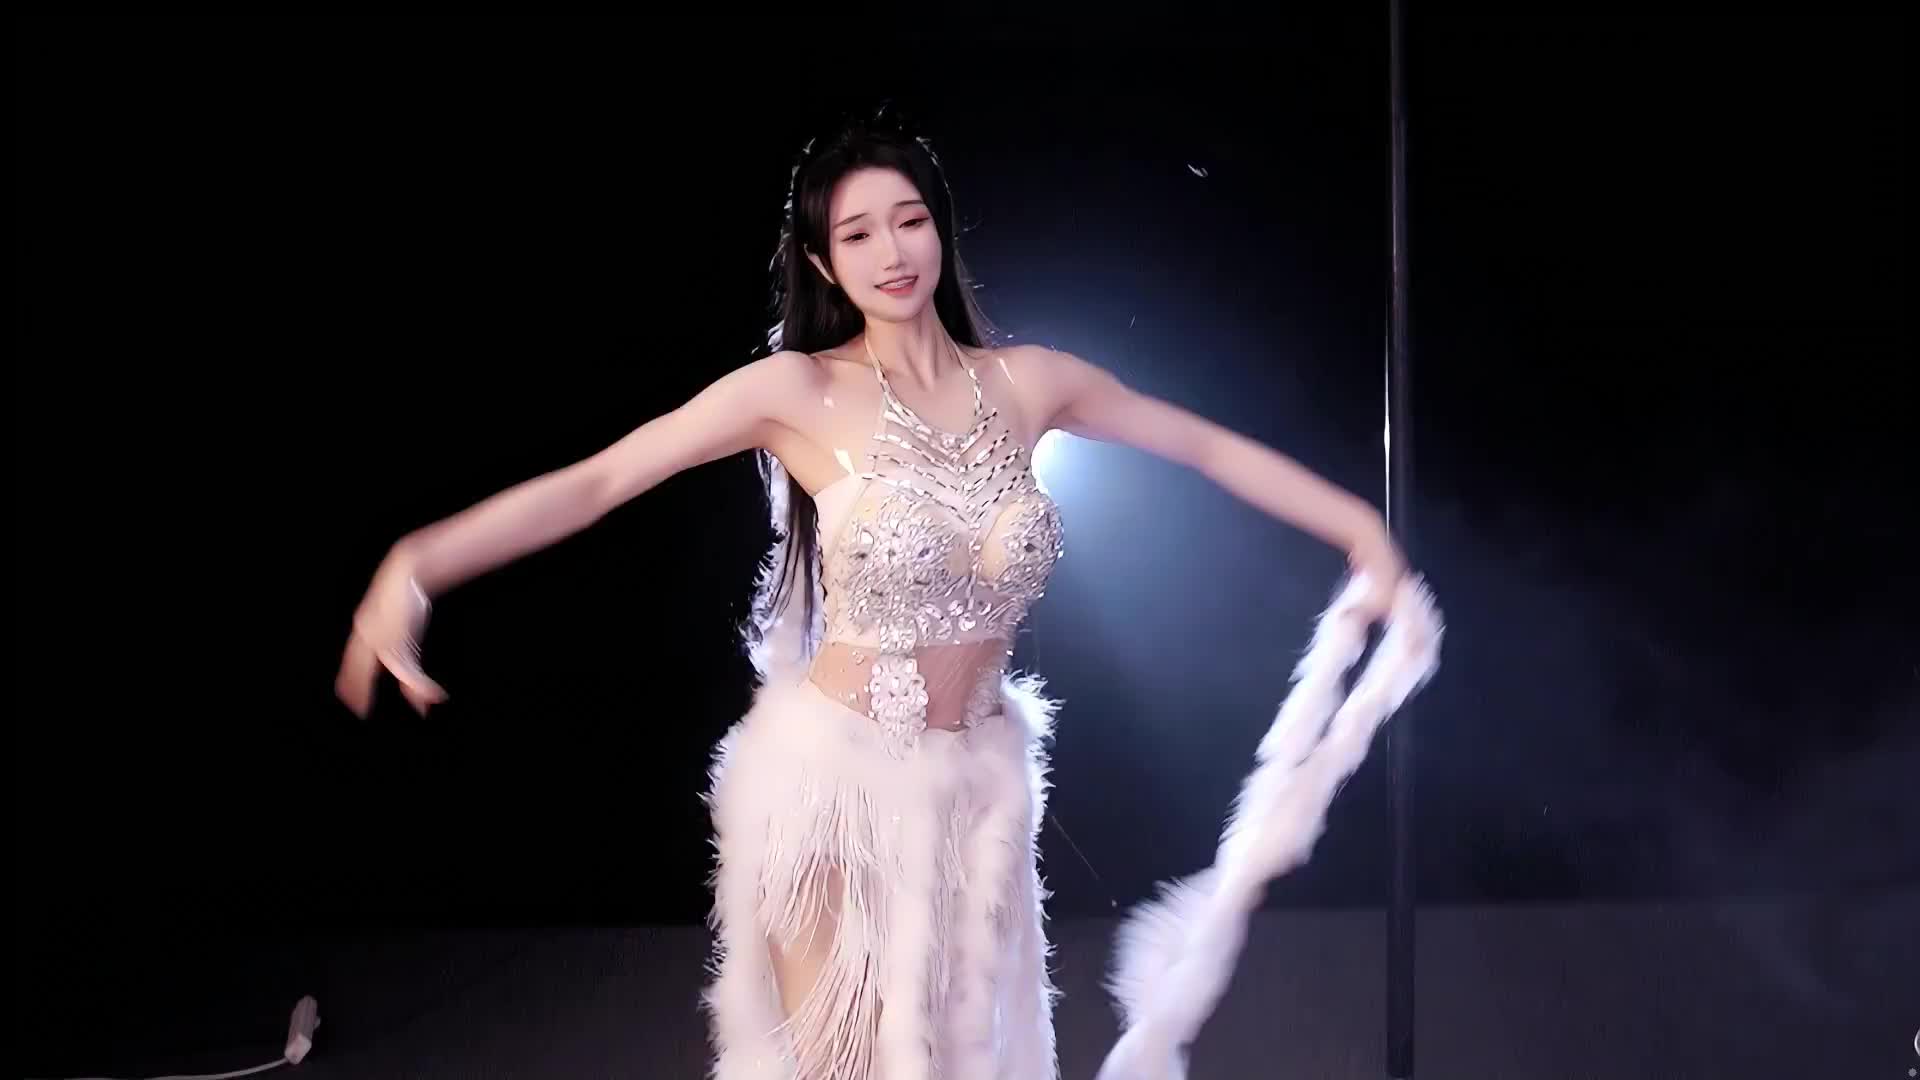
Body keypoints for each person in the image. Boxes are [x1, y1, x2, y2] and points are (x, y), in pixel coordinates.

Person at [335, 106, 1413, 1080]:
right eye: (856, 235)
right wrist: (416, 565)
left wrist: (1360, 529)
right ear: (821, 260)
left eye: (908, 221)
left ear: (940, 229)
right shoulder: (799, 391)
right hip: (832, 794)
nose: (891, 253)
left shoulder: (1030, 382)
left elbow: (1208, 448)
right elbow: (601, 479)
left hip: (976, 796)